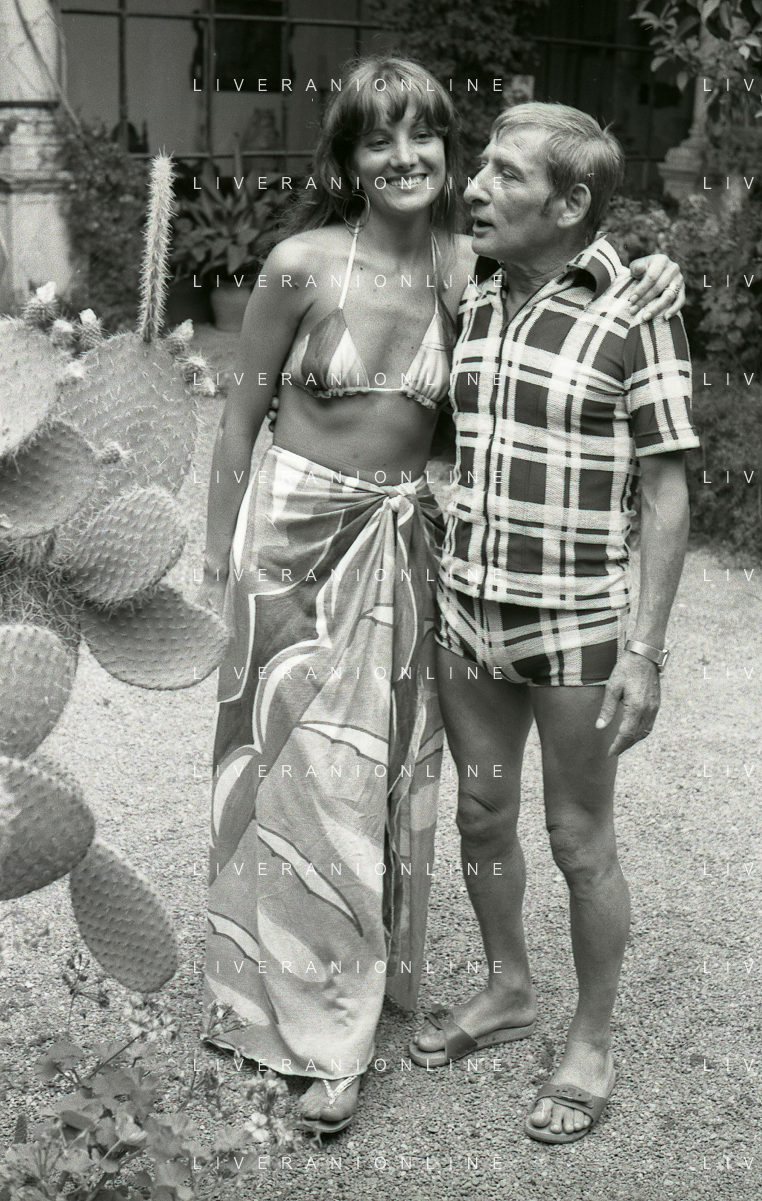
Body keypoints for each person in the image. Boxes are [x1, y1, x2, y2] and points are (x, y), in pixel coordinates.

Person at [197, 57, 685, 1137]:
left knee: (370, 789)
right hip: (289, 549)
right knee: (284, 782)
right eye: (377, 139)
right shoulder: (297, 266)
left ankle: (341, 1013)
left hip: (407, 554)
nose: (405, 156)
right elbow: (238, 419)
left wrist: (659, 272)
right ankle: (281, 1010)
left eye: (423, 135)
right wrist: (218, 563)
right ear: (347, 158)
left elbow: (579, 262)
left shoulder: (473, 272)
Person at [409, 102, 699, 1146]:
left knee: (578, 838)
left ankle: (590, 1038)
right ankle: (506, 987)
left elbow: (666, 489)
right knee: (482, 813)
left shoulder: (635, 310)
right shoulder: (476, 292)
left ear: (570, 202)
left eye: (505, 173)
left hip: (575, 628)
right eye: (479, 165)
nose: (475, 186)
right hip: (467, 615)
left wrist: (644, 650)